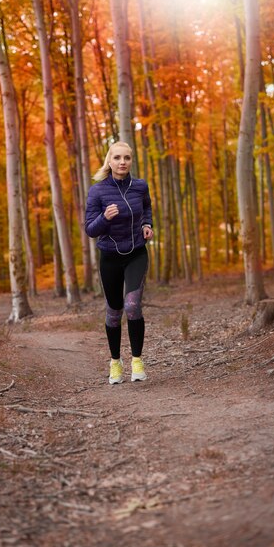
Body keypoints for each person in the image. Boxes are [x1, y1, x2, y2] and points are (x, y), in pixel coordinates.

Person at [85, 141, 154, 384]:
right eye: (117, 158)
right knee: (114, 312)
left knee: (133, 306)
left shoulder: (139, 186)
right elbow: (90, 230)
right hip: (110, 257)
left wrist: (147, 225)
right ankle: (115, 362)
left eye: (126, 157)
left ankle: (137, 360)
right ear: (110, 161)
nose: (122, 162)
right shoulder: (98, 191)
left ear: (131, 161)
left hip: (136, 252)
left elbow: (146, 208)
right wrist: (104, 217)